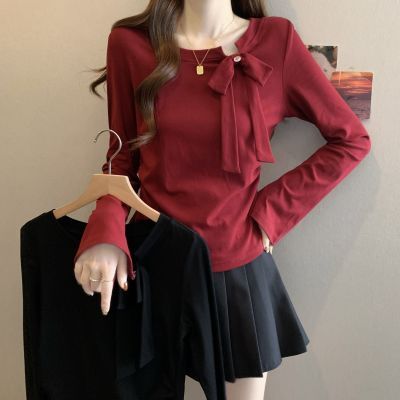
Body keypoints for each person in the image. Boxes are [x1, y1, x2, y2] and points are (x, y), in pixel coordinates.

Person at [73, 1, 371, 399]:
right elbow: (121, 158)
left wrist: (270, 214)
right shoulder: (129, 44)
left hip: (238, 273)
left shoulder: (276, 41)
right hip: (153, 266)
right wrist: (106, 230)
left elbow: (351, 140)